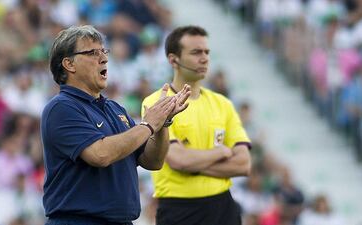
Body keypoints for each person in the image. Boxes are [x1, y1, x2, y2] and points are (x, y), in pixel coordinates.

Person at [41, 25, 190, 225]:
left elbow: (152, 161)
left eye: (104, 51)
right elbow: (100, 155)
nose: (103, 58)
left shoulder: (114, 108)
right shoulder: (61, 107)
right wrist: (148, 124)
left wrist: (163, 122)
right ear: (69, 64)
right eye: (92, 53)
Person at [142, 25, 252, 225]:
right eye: (196, 52)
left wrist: (194, 165)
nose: (204, 58)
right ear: (173, 59)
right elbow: (179, 160)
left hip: (223, 207)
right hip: (180, 210)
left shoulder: (223, 103)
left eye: (207, 52)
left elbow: (244, 164)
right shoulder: (156, 102)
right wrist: (222, 152)